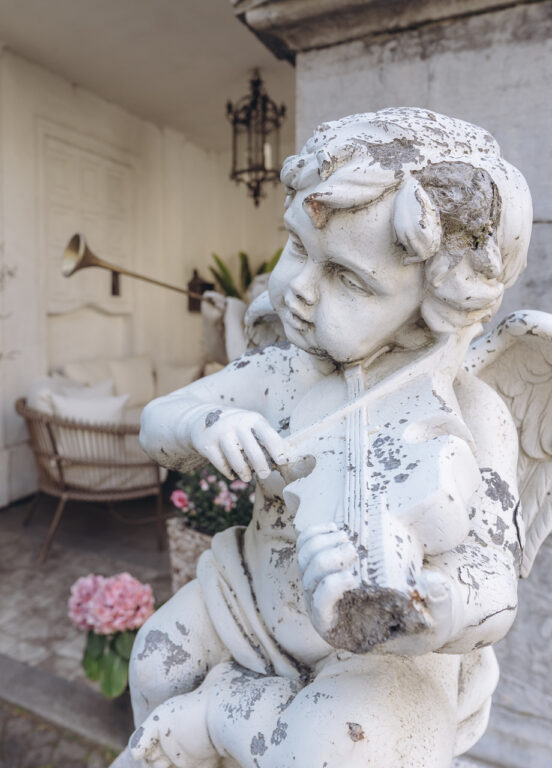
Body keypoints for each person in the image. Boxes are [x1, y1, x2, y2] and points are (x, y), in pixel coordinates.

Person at [128, 108, 533, 768]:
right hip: (251, 594)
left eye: (347, 278)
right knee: (154, 660)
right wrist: (210, 423)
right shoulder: (287, 369)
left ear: (438, 303)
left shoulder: (472, 410)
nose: (299, 291)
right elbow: (157, 422)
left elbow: (494, 580)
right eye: (296, 248)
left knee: (341, 751)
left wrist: (430, 609)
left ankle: (221, 714)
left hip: (377, 652)